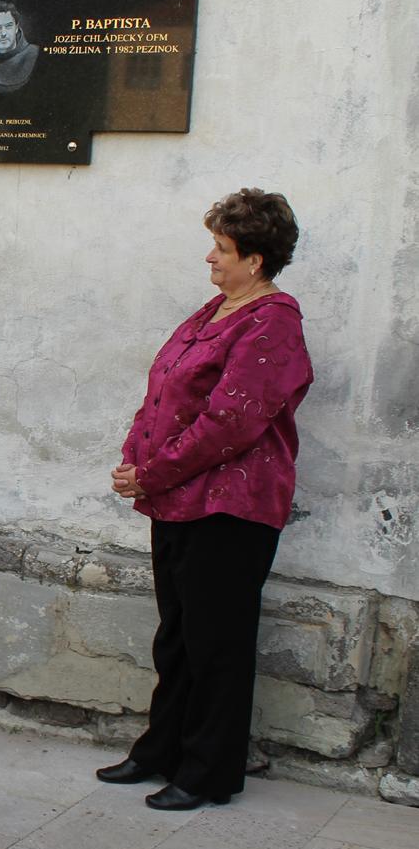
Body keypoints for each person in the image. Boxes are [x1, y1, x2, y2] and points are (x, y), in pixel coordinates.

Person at [96, 187, 313, 811]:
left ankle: (210, 771)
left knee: (217, 640)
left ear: (257, 259)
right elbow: (162, 389)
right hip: (178, 497)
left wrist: (153, 472)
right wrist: (136, 456)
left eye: (223, 249)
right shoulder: (210, 312)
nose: (210, 259)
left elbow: (230, 423)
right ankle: (161, 748)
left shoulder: (274, 322)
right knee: (179, 634)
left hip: (233, 506)